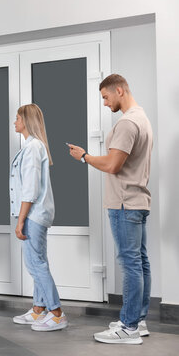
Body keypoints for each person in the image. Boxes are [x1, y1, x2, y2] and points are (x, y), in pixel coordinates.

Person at [68, 74, 153, 345]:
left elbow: (113, 165)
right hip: (137, 201)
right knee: (140, 262)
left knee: (130, 264)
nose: (105, 103)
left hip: (124, 203)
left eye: (106, 97)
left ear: (119, 90)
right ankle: (138, 320)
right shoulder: (143, 118)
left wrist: (84, 156)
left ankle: (128, 328)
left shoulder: (127, 123)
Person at [11, 104, 68, 332]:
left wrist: (20, 220)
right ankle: (38, 309)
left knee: (36, 264)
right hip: (35, 214)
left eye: (17, 118)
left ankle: (56, 314)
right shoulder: (31, 146)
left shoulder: (33, 147)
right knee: (37, 262)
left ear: (26, 120)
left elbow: (30, 189)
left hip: (34, 214)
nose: (14, 122)